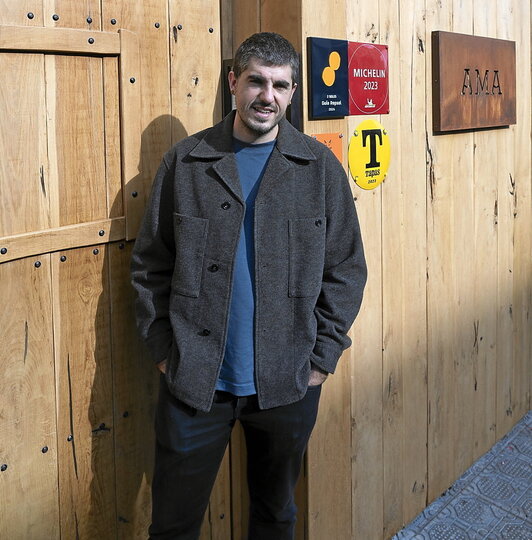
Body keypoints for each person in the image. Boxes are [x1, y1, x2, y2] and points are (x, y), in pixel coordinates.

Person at [131, 32, 367, 540]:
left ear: (294, 91)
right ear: (233, 82)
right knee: (171, 524)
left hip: (287, 382)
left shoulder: (318, 167)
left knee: (276, 516)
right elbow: (150, 265)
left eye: (281, 85)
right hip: (195, 381)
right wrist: (163, 352)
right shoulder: (187, 161)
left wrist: (321, 359)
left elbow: (346, 269)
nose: (268, 96)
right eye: (257, 80)